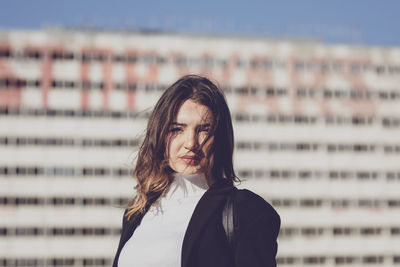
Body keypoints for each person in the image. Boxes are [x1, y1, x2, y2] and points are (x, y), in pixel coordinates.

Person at [113, 75, 280, 267]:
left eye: (204, 130)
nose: (191, 143)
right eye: (177, 129)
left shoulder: (246, 211)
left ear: (219, 137)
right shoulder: (137, 211)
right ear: (159, 133)